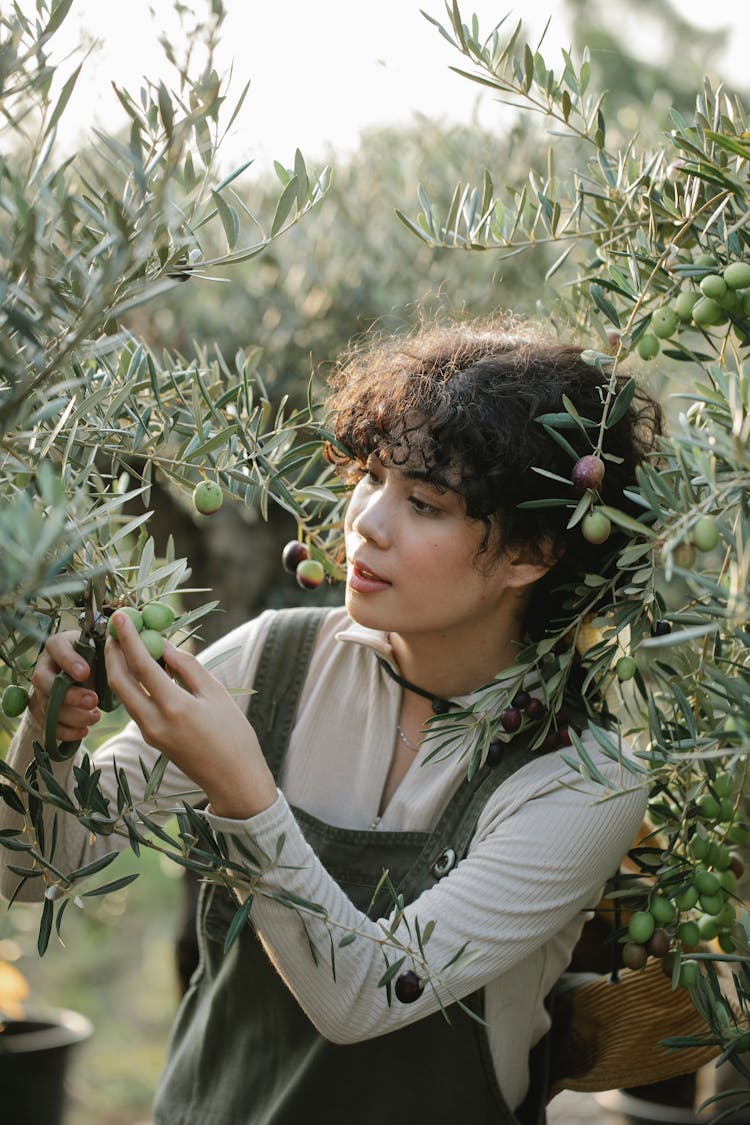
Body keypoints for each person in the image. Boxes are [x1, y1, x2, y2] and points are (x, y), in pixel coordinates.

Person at [0, 319, 661, 1124]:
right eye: (372, 476)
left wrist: (243, 790)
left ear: (532, 553)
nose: (366, 524)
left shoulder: (583, 780)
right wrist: (52, 741)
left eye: (423, 503)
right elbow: (36, 871)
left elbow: (365, 996)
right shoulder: (273, 662)